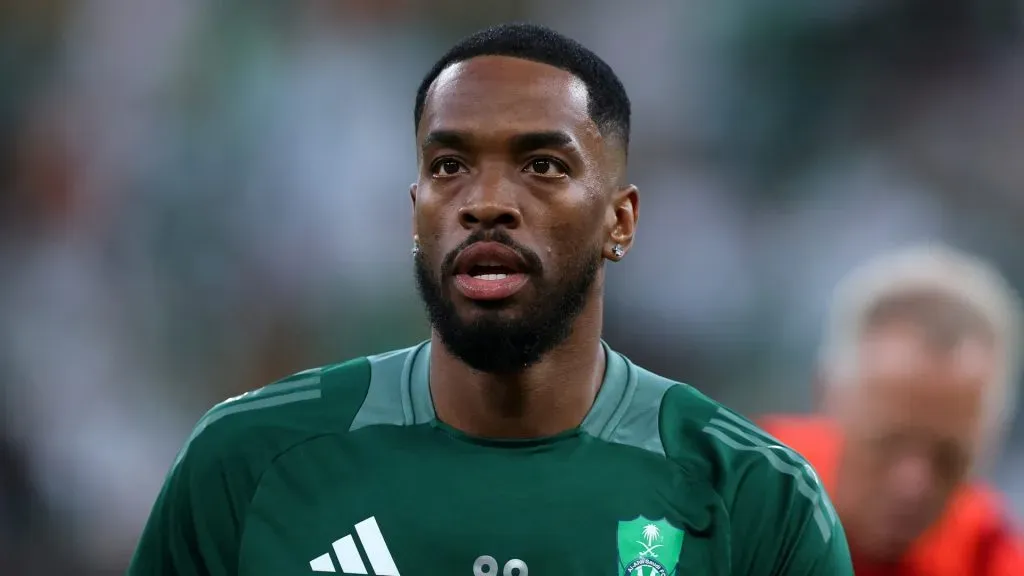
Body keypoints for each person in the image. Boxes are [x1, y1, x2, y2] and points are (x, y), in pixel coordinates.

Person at [128, 23, 852, 575]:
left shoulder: (753, 497)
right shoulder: (245, 465)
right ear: (415, 211)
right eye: (450, 166)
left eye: (542, 165)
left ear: (620, 222)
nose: (487, 203)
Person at [761, 244, 1024, 576]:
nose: (913, 484)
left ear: (992, 436)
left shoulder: (988, 556)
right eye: (888, 443)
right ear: (826, 395)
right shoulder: (728, 497)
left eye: (950, 458)